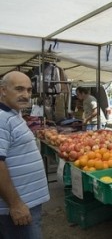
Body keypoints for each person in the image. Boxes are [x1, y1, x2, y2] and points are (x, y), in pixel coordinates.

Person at [0, 71, 50, 239]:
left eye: (29, 90)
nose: (26, 95)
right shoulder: (1, 119)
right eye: (19, 89)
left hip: (26, 202)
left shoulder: (12, 114)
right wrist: (15, 204)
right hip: (16, 207)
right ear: (3, 90)